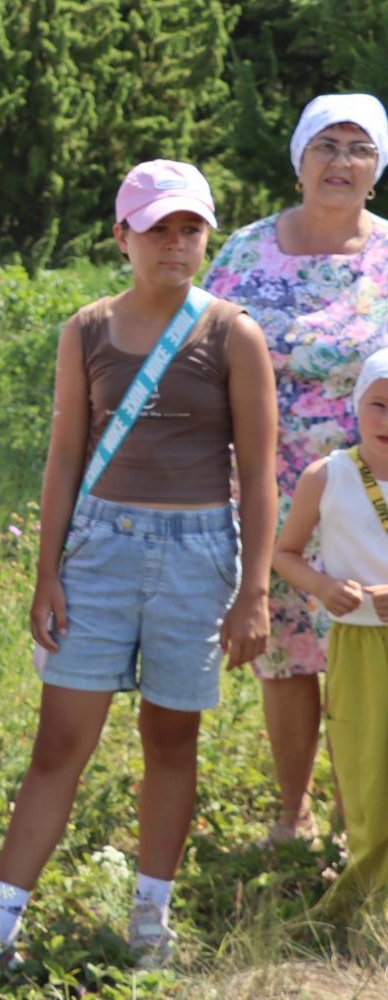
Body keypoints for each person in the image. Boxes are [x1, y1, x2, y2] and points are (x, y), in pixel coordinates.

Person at [0, 161, 275, 965]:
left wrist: (255, 591)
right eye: (157, 229)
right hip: (98, 552)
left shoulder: (234, 333)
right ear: (122, 237)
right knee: (58, 743)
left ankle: (151, 918)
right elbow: (64, 454)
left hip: (200, 553)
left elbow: (259, 470)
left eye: (190, 229)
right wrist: (45, 572)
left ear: (206, 237)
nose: (175, 244)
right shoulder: (86, 328)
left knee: (171, 741)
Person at [203, 93, 388, 846]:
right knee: (284, 656)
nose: (341, 162)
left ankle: (363, 817)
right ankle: (293, 816)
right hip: (265, 493)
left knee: (362, 649)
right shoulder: (245, 252)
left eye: (358, 149)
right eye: (326, 145)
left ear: (377, 168)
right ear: (299, 158)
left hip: (370, 496)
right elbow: (198, 355)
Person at [272, 347, 388, 916]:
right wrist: (320, 587)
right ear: (356, 406)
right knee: (366, 763)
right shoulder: (328, 476)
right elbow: (285, 553)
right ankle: (369, 892)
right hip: (360, 645)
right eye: (379, 406)